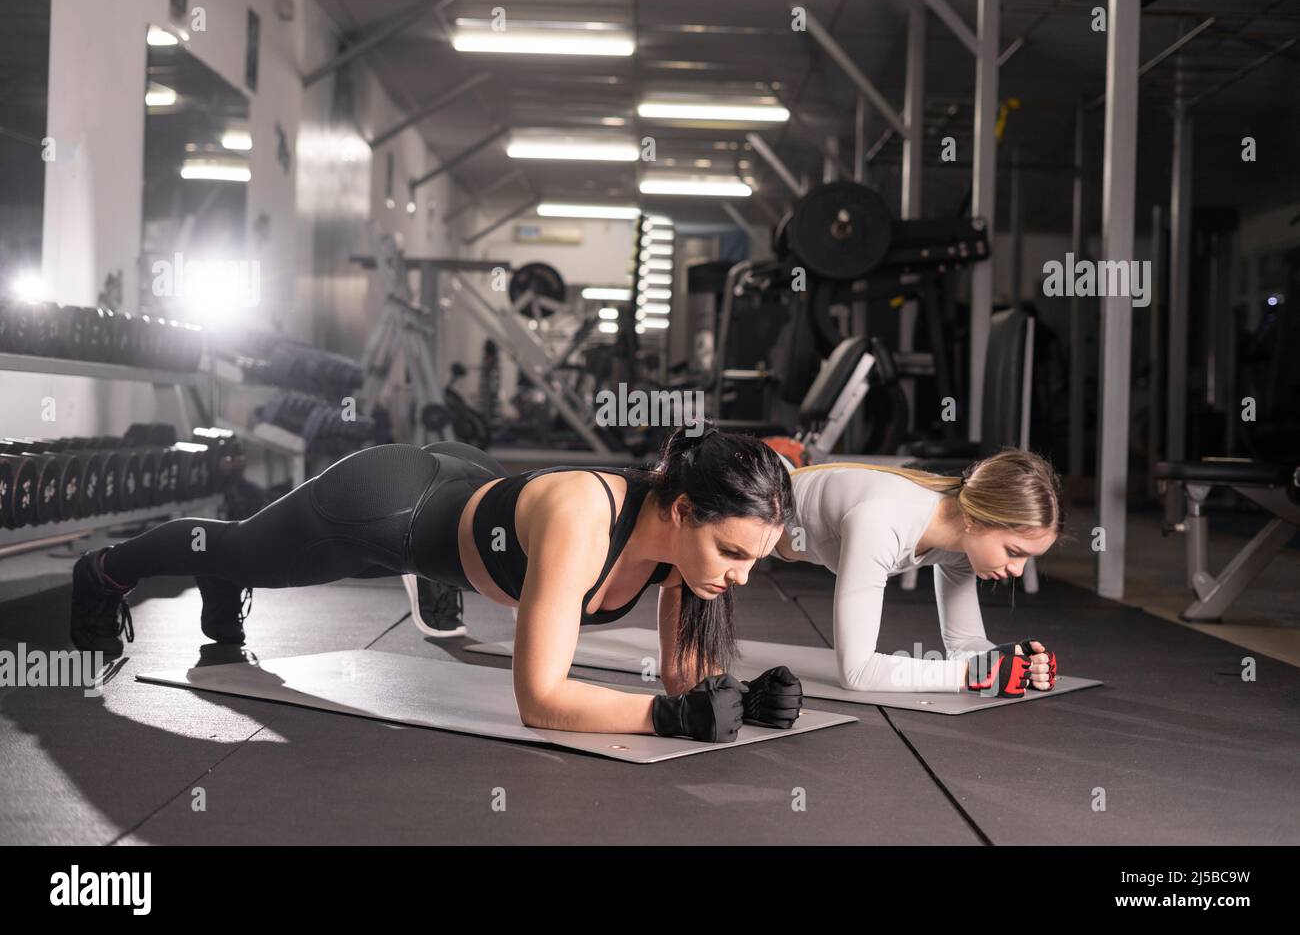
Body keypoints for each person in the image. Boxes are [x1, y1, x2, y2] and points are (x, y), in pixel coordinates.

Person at [70, 428, 803, 741]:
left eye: (753, 562)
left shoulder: (690, 558)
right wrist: (669, 720)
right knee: (245, 548)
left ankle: (224, 570)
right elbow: (541, 702)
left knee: (249, 555)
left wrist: (735, 700)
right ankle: (104, 571)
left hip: (475, 490)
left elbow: (683, 680)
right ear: (683, 510)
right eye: (734, 553)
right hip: (394, 505)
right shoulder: (586, 519)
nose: (739, 576)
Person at [771, 449, 1063, 697]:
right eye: (1013, 551)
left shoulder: (962, 543)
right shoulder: (882, 522)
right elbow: (857, 672)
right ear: (975, 519)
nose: (1017, 570)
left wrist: (1004, 660)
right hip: (742, 485)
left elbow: (962, 644)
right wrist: (974, 674)